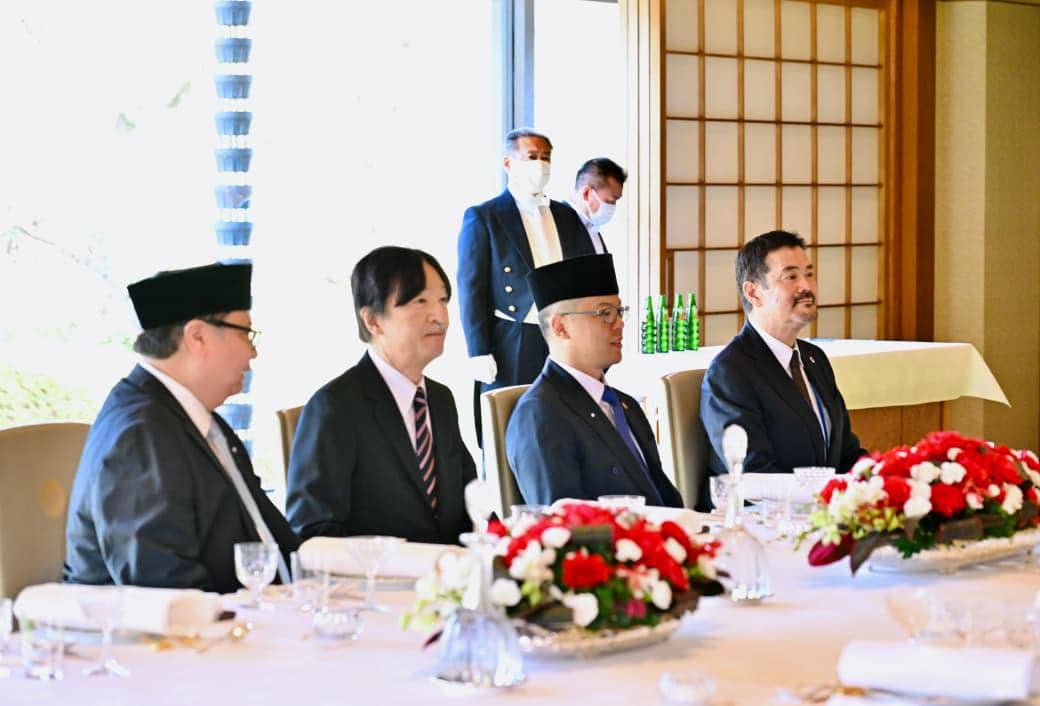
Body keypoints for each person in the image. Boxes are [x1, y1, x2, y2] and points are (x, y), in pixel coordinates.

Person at [64, 262, 299, 593]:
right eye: (245, 332)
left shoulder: (196, 419)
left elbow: (269, 535)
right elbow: (163, 588)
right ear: (198, 336)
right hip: (165, 638)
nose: (253, 352)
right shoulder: (139, 434)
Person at [286, 246, 477, 544]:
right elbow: (313, 533)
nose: (439, 316)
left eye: (442, 300)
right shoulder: (335, 408)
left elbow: (472, 503)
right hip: (374, 586)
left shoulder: (440, 400)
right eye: (419, 301)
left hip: (449, 584)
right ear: (372, 321)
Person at [506, 254, 683, 507]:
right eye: (604, 313)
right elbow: (562, 525)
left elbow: (663, 495)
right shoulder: (540, 414)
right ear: (560, 327)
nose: (619, 323)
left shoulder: (625, 404)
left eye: (619, 312)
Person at [456, 128, 595, 442]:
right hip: (514, 338)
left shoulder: (566, 215)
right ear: (508, 163)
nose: (540, 165)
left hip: (564, 335)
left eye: (545, 157)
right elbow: (471, 289)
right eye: (531, 157)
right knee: (512, 429)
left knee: (564, 426)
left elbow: (585, 275)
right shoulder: (485, 216)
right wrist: (478, 351)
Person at [700, 230, 867, 489]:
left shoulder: (814, 359)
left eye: (809, 274)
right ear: (754, 293)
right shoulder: (730, 372)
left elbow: (846, 453)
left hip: (823, 514)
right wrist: (831, 496)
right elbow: (755, 476)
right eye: (791, 276)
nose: (807, 286)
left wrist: (882, 478)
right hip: (759, 519)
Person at [566, 157, 627, 254]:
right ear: (586, 193)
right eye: (610, 201)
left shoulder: (592, 228)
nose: (612, 207)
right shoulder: (558, 225)